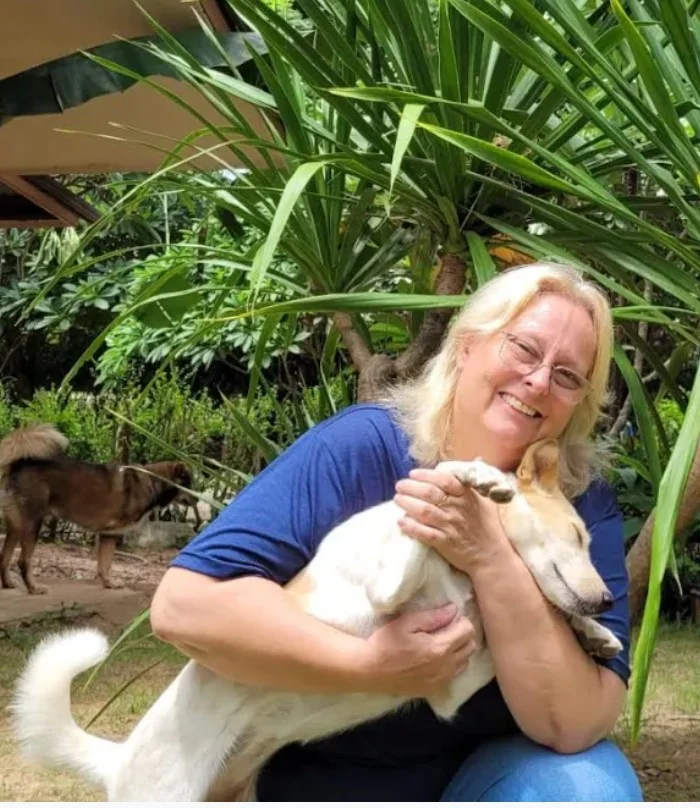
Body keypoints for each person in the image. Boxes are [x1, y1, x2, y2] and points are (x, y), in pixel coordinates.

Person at [150, 262, 643, 802]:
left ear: (579, 403)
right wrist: (367, 665)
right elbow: (183, 607)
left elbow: (576, 722)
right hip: (320, 776)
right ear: (467, 347)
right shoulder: (363, 446)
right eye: (523, 349)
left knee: (586, 789)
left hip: (488, 776)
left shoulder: (579, 506)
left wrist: (490, 556)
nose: (540, 380)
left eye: (568, 376)